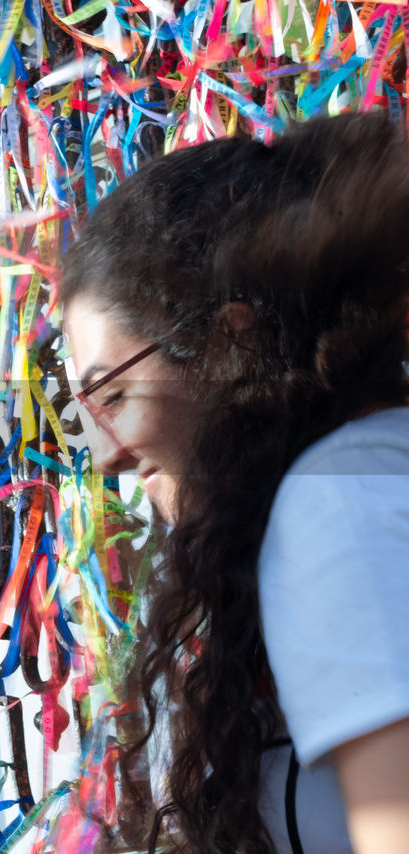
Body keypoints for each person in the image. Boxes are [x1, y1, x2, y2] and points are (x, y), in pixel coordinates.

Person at [59, 112, 409, 854]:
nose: (104, 456)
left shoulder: (337, 504)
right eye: (80, 417)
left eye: (111, 397)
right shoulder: (369, 471)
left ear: (230, 337)